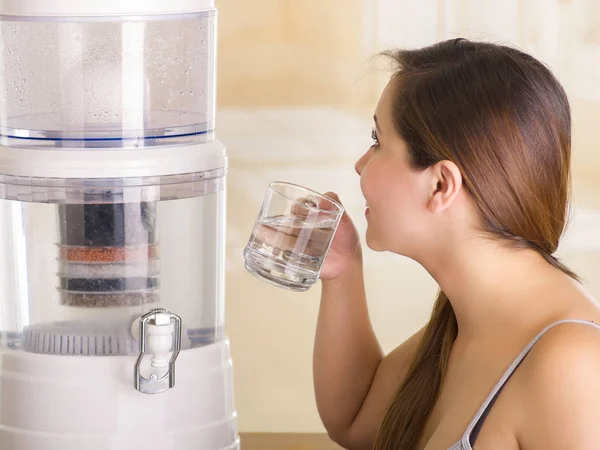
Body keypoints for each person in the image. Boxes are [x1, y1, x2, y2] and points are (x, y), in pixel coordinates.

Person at [313, 38, 600, 450]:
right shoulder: (468, 319)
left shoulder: (571, 368)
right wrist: (342, 269)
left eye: (378, 140)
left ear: (442, 184)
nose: (361, 163)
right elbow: (356, 421)